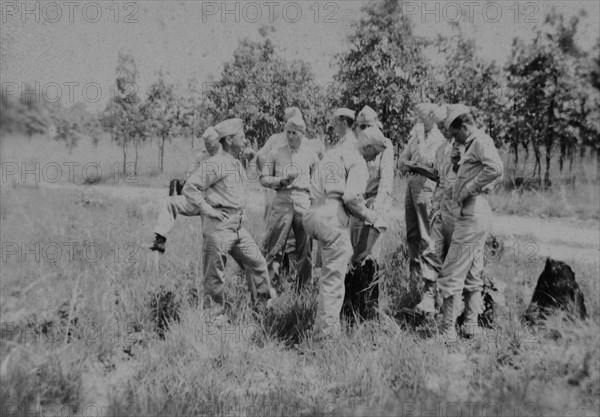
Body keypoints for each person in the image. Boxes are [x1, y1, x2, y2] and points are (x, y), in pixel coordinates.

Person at [302, 109, 386, 342]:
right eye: (374, 155)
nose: (372, 161)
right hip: (331, 216)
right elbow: (350, 198)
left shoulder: (334, 152)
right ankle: (325, 338)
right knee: (333, 282)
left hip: (312, 213)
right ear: (368, 148)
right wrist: (371, 216)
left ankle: (321, 328)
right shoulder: (358, 160)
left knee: (328, 274)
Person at [183, 118, 276, 308]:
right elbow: (190, 187)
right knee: (215, 277)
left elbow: (247, 182)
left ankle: (262, 310)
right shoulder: (215, 163)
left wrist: (251, 161)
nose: (245, 141)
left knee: (258, 263)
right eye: (241, 137)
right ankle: (214, 319)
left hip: (236, 226)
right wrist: (207, 209)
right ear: (228, 140)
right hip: (219, 227)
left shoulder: (234, 163)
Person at [435, 106, 503, 341]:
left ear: (464, 127)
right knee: (473, 270)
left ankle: (446, 331)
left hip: (473, 212)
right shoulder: (472, 144)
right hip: (476, 212)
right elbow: (478, 171)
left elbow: (496, 169)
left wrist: (469, 188)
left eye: (455, 134)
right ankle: (470, 325)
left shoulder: (481, 141)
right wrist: (457, 165)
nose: (455, 139)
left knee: (452, 271)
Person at [342, 106, 395, 322]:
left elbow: (386, 181)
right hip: (357, 204)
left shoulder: (385, 145)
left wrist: (377, 203)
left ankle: (371, 308)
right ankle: (351, 308)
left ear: (376, 125)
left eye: (368, 126)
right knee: (354, 257)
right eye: (360, 126)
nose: (364, 130)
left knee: (371, 257)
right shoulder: (353, 146)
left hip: (376, 204)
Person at [259, 116, 318, 291]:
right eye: (288, 132)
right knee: (275, 247)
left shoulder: (311, 155)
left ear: (303, 134)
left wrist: (314, 207)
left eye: (295, 133)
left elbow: (316, 184)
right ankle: (271, 290)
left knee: (305, 248)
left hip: (303, 200)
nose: (291, 136)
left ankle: (304, 289)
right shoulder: (275, 153)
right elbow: (263, 178)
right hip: (282, 199)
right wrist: (279, 181)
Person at [149, 127, 219, 253]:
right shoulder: (201, 156)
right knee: (170, 202)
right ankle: (160, 240)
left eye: (210, 143)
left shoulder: (226, 158)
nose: (208, 146)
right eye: (206, 143)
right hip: (197, 200)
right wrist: (182, 183)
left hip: (215, 205)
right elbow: (190, 176)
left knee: (211, 242)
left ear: (218, 142)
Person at [398, 103, 446, 279]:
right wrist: (408, 163)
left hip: (426, 185)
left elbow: (428, 160)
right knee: (412, 233)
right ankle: (414, 275)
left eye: (421, 116)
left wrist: (419, 140)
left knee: (425, 233)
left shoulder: (437, 138)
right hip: (412, 183)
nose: (418, 120)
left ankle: (428, 278)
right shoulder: (415, 137)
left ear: (431, 116)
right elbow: (402, 162)